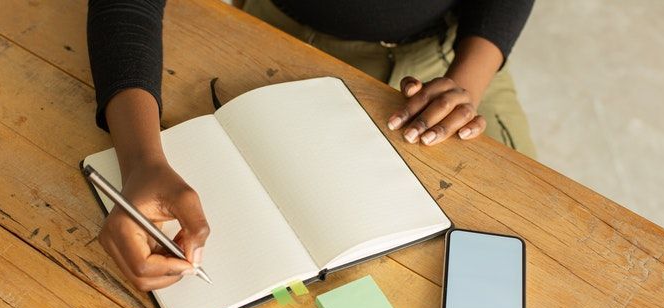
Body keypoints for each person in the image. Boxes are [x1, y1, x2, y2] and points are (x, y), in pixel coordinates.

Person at [87, 0, 534, 291]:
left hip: (447, 65)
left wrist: (466, 82)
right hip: (267, 33)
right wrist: (142, 159)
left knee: (512, 255)